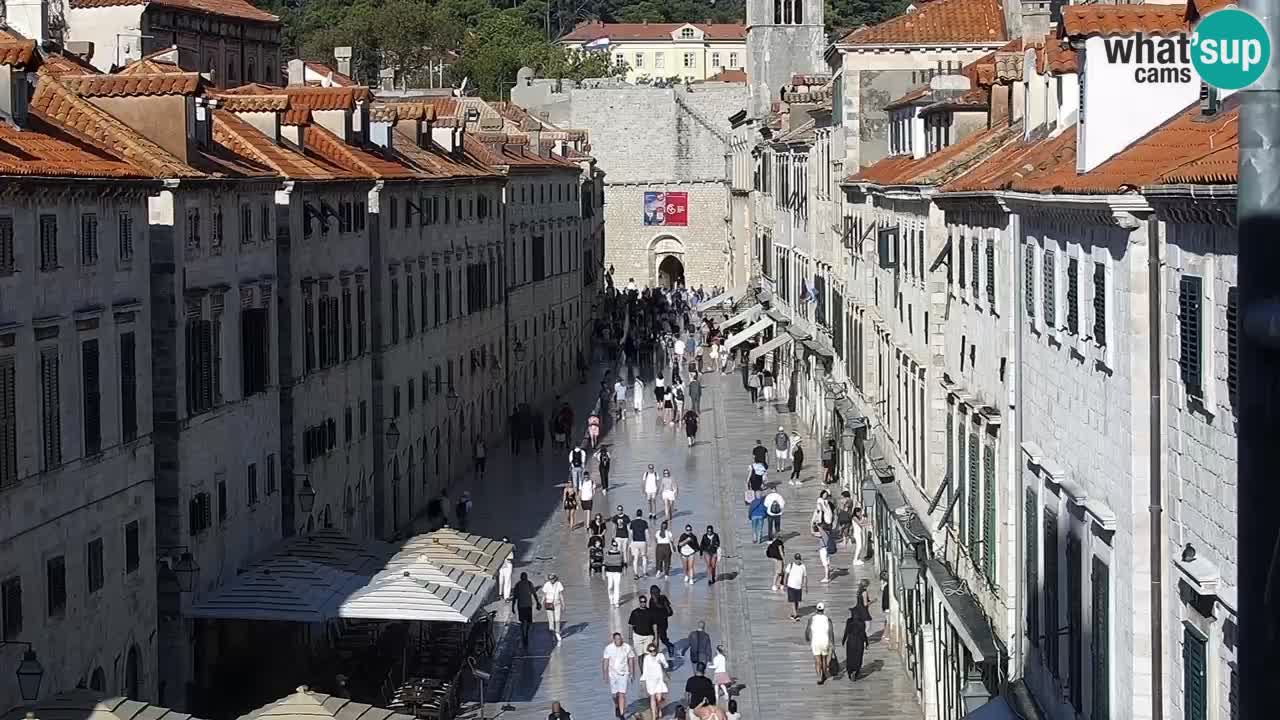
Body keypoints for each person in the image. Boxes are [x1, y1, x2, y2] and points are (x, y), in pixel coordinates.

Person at [602, 633, 636, 720]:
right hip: (612, 674)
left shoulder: (627, 647)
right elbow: (605, 662)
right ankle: (617, 705)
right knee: (614, 695)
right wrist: (605, 675)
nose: (619, 641)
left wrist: (632, 673)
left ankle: (622, 714)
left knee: (622, 694)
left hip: (624, 673)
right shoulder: (608, 648)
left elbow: (631, 659)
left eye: (620, 639)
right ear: (614, 640)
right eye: (617, 639)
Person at [805, 602, 837, 685]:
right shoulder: (827, 619)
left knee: (817, 661)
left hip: (815, 642)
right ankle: (824, 673)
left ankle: (819, 677)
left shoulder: (811, 619)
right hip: (825, 641)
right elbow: (831, 632)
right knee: (824, 659)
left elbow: (807, 630)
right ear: (823, 610)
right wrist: (832, 643)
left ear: (816, 609)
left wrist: (807, 637)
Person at [640, 643, 670, 720]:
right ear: (648, 651)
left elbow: (667, 665)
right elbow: (645, 670)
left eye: (654, 650)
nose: (653, 652)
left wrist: (662, 663)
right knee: (652, 697)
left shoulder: (660, 656)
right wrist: (643, 680)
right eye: (651, 651)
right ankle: (653, 715)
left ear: (656, 650)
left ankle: (659, 709)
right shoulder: (646, 658)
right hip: (650, 681)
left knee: (659, 699)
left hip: (659, 680)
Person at [843, 606, 870, 681]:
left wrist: (843, 640)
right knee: (858, 656)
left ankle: (850, 671)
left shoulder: (849, 621)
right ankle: (856, 670)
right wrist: (866, 642)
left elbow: (846, 631)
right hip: (859, 642)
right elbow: (864, 633)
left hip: (851, 641)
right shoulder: (862, 622)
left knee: (850, 656)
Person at [512, 572, 537, 645]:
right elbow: (534, 594)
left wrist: (513, 607)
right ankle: (524, 634)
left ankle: (524, 633)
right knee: (527, 621)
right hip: (526, 606)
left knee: (525, 621)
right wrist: (537, 602)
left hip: (523, 606)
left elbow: (514, 597)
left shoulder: (522, 584)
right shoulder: (525, 584)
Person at [649, 586, 676, 654]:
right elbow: (650, 612)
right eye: (652, 593)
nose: (653, 595)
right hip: (655, 623)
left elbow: (669, 612)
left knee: (663, 639)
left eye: (654, 593)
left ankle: (670, 646)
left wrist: (657, 604)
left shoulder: (663, 598)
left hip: (663, 623)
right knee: (655, 639)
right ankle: (655, 653)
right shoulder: (651, 600)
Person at [540, 573, 565, 641]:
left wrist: (563, 604)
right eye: (550, 579)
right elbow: (544, 595)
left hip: (557, 603)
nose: (551, 580)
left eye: (552, 579)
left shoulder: (559, 584)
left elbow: (561, 595)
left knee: (557, 619)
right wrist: (541, 603)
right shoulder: (547, 584)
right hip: (549, 603)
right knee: (551, 619)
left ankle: (557, 633)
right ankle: (552, 632)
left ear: (555, 578)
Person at [785, 553, 808, 621]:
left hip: (799, 587)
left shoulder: (803, 566)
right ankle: (795, 615)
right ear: (794, 559)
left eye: (799, 559)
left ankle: (793, 613)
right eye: (797, 559)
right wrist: (784, 584)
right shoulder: (790, 565)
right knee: (793, 601)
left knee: (797, 601)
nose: (798, 561)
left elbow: (805, 577)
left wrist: (805, 586)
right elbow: (786, 575)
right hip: (791, 586)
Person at [629, 508, 651, 578]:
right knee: (644, 557)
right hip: (642, 541)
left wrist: (631, 542)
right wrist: (648, 542)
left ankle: (636, 574)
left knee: (635, 558)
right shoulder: (644, 522)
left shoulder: (632, 522)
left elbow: (631, 533)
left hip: (635, 541)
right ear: (641, 514)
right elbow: (646, 533)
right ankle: (644, 573)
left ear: (636, 514)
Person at [604, 539, 626, 607]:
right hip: (609, 572)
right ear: (611, 546)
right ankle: (611, 598)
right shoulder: (607, 553)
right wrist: (603, 573)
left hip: (618, 572)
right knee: (610, 586)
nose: (615, 547)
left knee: (617, 586)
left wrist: (624, 570)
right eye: (614, 545)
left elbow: (623, 563)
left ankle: (616, 602)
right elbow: (604, 563)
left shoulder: (620, 553)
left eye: (616, 545)